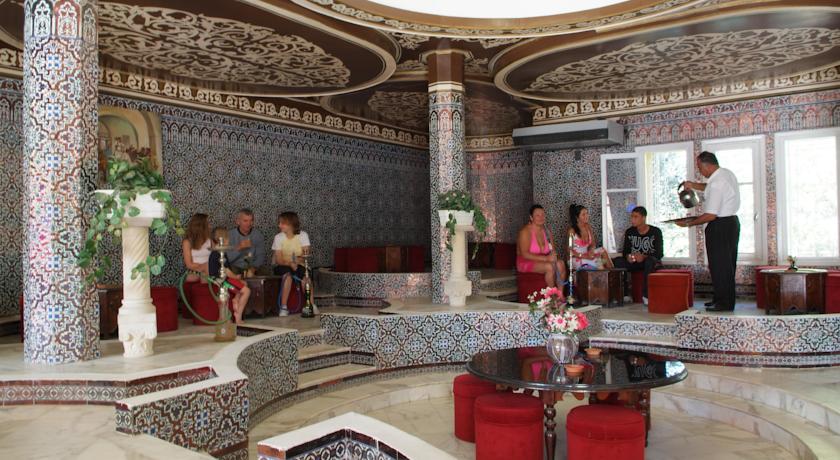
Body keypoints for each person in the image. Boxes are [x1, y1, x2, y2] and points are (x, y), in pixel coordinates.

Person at [678, 151, 740, 312]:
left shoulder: (717, 183)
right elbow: (708, 187)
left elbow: (711, 215)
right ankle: (720, 299)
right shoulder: (725, 174)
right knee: (725, 265)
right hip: (730, 223)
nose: (700, 171)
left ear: (707, 165)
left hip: (720, 226)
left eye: (699, 167)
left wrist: (689, 223)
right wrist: (692, 185)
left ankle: (724, 303)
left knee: (720, 266)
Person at [612, 206, 664, 303]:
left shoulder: (656, 232)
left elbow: (659, 253)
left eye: (636, 217)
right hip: (635, 262)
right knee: (617, 261)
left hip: (650, 262)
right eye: (632, 217)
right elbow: (625, 251)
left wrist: (644, 256)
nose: (632, 219)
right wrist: (628, 257)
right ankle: (624, 294)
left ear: (643, 218)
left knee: (649, 261)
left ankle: (646, 296)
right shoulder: (629, 231)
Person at [272, 212, 314, 316]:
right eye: (279, 223)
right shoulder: (278, 237)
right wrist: (290, 263)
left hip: (299, 264)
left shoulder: (303, 235)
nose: (279, 225)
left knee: (306, 278)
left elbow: (305, 255)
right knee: (287, 277)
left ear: (291, 224)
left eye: (282, 223)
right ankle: (284, 307)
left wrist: (296, 262)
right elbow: (278, 260)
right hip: (283, 265)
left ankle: (311, 305)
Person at [516, 204, 567, 290]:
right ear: (531, 217)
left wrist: (553, 256)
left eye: (543, 215)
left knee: (561, 264)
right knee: (549, 267)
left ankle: (560, 294)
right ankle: (552, 295)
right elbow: (524, 254)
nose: (541, 217)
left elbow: (552, 250)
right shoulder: (525, 231)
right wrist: (546, 259)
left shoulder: (547, 232)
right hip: (526, 261)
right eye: (537, 215)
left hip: (543, 259)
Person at [208, 227, 251, 325]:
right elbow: (226, 271)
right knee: (247, 291)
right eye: (228, 238)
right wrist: (236, 277)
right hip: (222, 281)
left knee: (243, 284)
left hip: (220, 280)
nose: (229, 240)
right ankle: (238, 316)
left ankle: (236, 298)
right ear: (223, 239)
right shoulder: (220, 252)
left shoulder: (216, 252)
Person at [569, 204, 613, 270]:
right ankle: (603, 273)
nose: (586, 216)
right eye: (583, 214)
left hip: (587, 254)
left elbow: (593, 243)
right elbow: (570, 251)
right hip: (576, 258)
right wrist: (584, 256)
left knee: (602, 250)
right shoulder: (572, 231)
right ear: (577, 217)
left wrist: (591, 251)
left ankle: (613, 273)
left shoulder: (588, 226)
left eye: (587, 213)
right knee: (598, 261)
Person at [226, 208, 266, 276]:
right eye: (245, 221)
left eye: (251, 220)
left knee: (265, 272)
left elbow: (260, 256)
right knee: (230, 272)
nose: (249, 224)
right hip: (235, 267)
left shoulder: (258, 235)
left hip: (252, 267)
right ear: (238, 222)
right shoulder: (229, 235)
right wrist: (239, 247)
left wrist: (253, 268)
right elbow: (227, 259)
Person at [182, 213, 211, 282]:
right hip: (194, 271)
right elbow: (189, 264)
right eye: (208, 224)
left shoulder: (209, 240)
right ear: (201, 226)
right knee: (206, 270)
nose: (210, 226)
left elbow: (216, 256)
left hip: (208, 270)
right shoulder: (187, 242)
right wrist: (205, 266)